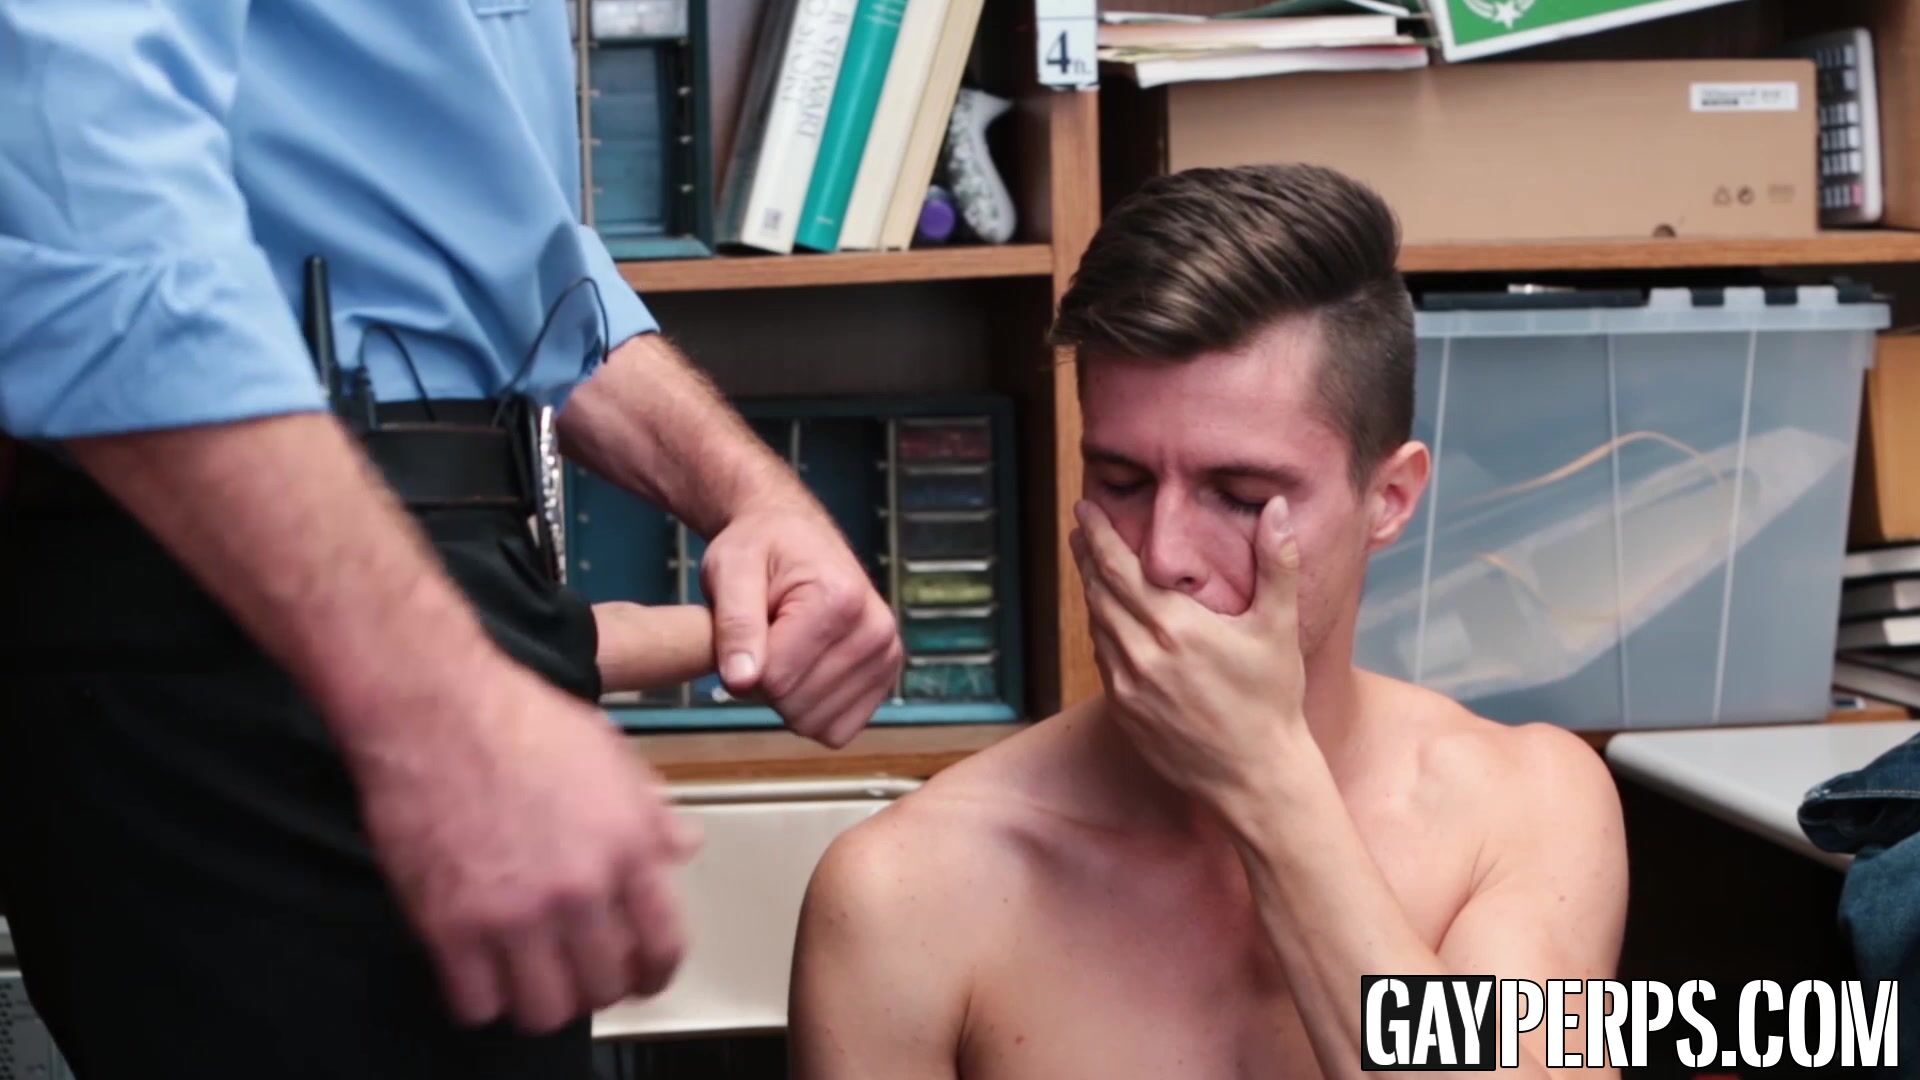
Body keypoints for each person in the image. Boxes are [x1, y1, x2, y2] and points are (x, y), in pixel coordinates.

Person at [0, 3, 901, 1078]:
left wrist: (755, 496)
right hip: (249, 588)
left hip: (435, 563)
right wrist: (437, 700)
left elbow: (511, 275)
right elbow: (80, 176)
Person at [788, 164, 1629, 1080]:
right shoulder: (900, 893)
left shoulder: (1529, 806)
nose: (1163, 556)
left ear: (1389, 499)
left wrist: (1268, 784)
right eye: (1121, 482)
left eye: (1241, 495)